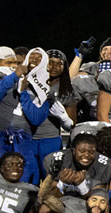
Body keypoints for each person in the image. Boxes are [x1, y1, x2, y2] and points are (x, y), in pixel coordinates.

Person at [0, 48, 54, 185]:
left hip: (24, 139)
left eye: (39, 58)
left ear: (45, 62)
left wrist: (23, 93)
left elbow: (36, 118)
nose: (34, 60)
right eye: (32, 56)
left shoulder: (46, 89)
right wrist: (15, 76)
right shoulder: (6, 76)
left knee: (25, 179)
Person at [33, 49, 80, 179]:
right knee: (30, 176)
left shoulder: (66, 89)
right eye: (50, 62)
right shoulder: (30, 82)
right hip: (27, 137)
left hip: (50, 139)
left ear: (64, 67)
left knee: (50, 178)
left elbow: (72, 125)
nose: (54, 66)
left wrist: (63, 117)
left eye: (59, 63)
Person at [41, 134, 111, 203]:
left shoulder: (104, 166)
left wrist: (82, 186)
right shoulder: (56, 161)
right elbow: (48, 197)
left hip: (86, 206)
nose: (86, 155)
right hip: (61, 203)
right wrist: (62, 184)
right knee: (45, 208)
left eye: (91, 152)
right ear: (74, 151)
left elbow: (96, 202)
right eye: (82, 151)